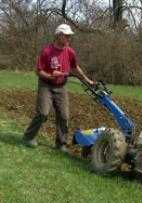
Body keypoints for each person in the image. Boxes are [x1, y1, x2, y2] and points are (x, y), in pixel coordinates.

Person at [22, 24, 95, 152]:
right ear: (59, 35)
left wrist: (86, 80)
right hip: (46, 85)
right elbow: (39, 71)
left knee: (64, 116)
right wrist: (51, 76)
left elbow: (75, 67)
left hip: (61, 87)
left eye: (69, 36)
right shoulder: (46, 51)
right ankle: (28, 137)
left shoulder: (70, 51)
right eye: (66, 36)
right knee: (43, 113)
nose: (69, 38)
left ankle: (60, 143)